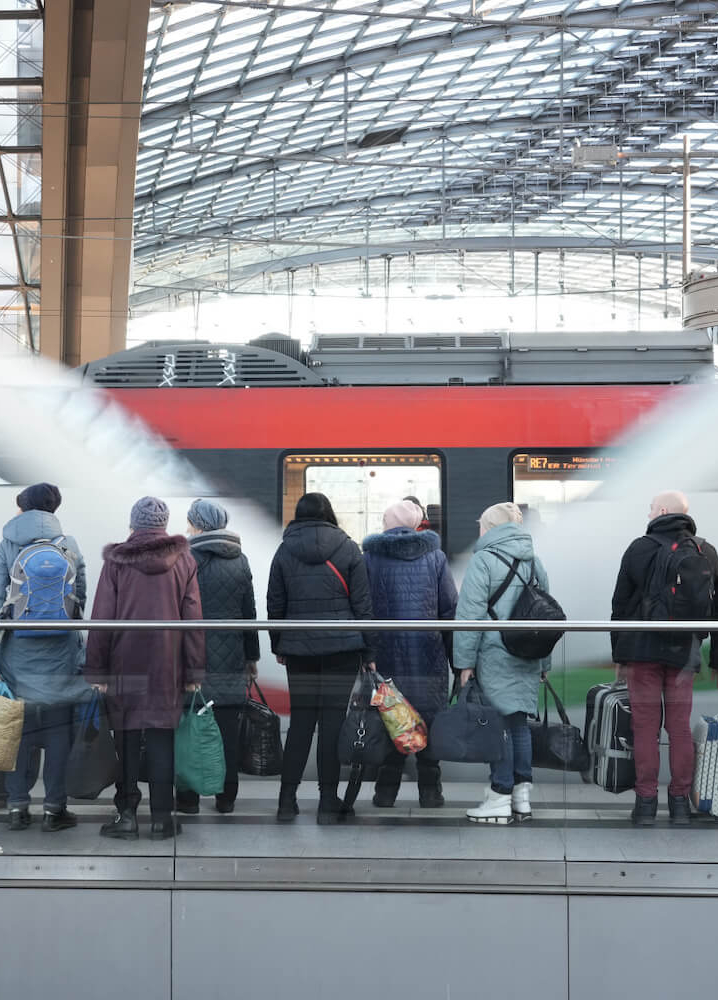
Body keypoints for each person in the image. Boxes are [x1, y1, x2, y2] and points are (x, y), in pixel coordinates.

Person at [85, 496, 205, 840]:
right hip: (167, 665)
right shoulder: (184, 559)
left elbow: (102, 617)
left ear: (134, 524)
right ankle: (162, 819)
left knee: (126, 738)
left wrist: (97, 671)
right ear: (164, 525)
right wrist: (194, 672)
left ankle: (127, 816)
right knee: (161, 738)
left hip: (125, 665)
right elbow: (193, 620)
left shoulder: (117, 561)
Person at [267, 492, 375, 824]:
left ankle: (287, 800)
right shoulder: (347, 548)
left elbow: (275, 604)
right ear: (329, 513)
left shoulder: (285, 550)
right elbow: (363, 606)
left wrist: (279, 645)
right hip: (342, 650)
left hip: (299, 651)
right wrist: (368, 651)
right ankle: (328, 801)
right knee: (332, 724)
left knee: (300, 724)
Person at [611, 490, 718, 826]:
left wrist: (619, 653)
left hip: (642, 653)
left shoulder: (639, 548)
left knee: (645, 729)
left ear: (659, 511)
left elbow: (620, 604)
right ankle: (680, 805)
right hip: (684, 653)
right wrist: (715, 660)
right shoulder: (707, 551)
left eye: (649, 509)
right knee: (680, 730)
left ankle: (645, 804)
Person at [454, 502, 550, 824]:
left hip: (495, 654)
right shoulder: (535, 562)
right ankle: (521, 795)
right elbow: (546, 617)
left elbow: (469, 616)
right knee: (518, 724)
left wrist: (464, 662)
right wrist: (544, 662)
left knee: (498, 727)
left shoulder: (483, 561)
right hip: (527, 656)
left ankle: (499, 794)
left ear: (490, 527)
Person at [0, 483, 87, 832]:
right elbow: (80, 599)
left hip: (17, 654)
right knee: (57, 734)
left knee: (18, 730)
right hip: (61, 654)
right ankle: (54, 809)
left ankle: (18, 807)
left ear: (23, 507)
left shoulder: (6, 542)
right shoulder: (69, 544)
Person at [363, 499, 457, 807]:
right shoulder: (436, 557)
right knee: (427, 719)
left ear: (389, 522)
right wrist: (454, 657)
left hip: (386, 653)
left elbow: (363, 610)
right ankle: (431, 793)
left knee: (392, 717)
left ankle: (385, 793)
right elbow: (448, 609)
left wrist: (369, 651)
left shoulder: (371, 557)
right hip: (428, 653)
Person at [178, 498, 260, 815]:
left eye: (189, 521)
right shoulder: (239, 559)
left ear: (197, 525)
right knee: (226, 730)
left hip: (191, 656)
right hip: (230, 657)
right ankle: (226, 798)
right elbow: (248, 614)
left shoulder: (184, 559)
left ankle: (187, 799)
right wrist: (250, 657)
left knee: (188, 727)